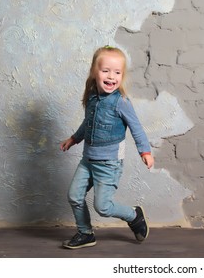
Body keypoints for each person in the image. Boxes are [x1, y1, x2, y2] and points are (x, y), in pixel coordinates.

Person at [60, 45, 154, 249]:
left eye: (117, 72)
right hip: (87, 160)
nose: (111, 76)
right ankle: (85, 233)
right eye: (105, 71)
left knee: (102, 207)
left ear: (122, 75)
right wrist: (74, 139)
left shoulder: (121, 102)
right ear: (95, 71)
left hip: (109, 163)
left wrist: (144, 151)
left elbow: (136, 128)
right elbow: (89, 123)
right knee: (74, 196)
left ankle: (134, 215)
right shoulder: (93, 97)